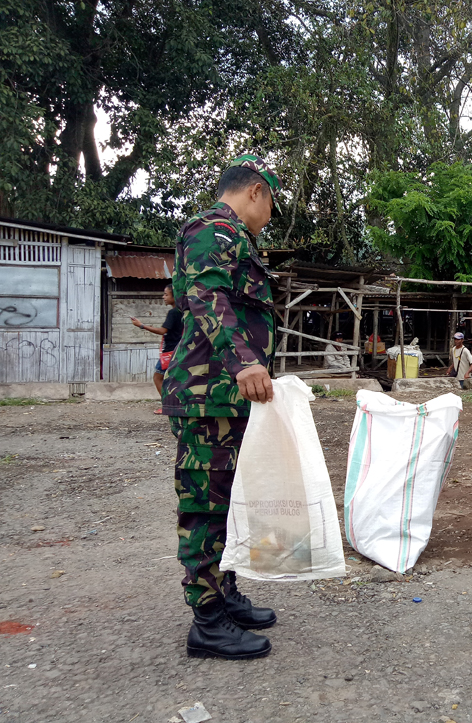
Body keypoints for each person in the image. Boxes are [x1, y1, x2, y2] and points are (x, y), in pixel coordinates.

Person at [162, 153, 283, 660]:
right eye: (272, 203)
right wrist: (244, 363)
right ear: (255, 190)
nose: (271, 217)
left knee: (233, 503)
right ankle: (206, 622)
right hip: (209, 394)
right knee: (206, 507)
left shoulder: (234, 239)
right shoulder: (212, 229)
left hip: (228, 397)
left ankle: (225, 595)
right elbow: (208, 299)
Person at [131, 284, 182, 414]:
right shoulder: (183, 312)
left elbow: (162, 331)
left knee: (158, 377)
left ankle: (167, 405)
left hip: (170, 351)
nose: (163, 297)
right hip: (179, 350)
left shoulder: (173, 312)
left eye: (166, 294)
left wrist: (141, 325)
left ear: (175, 296)